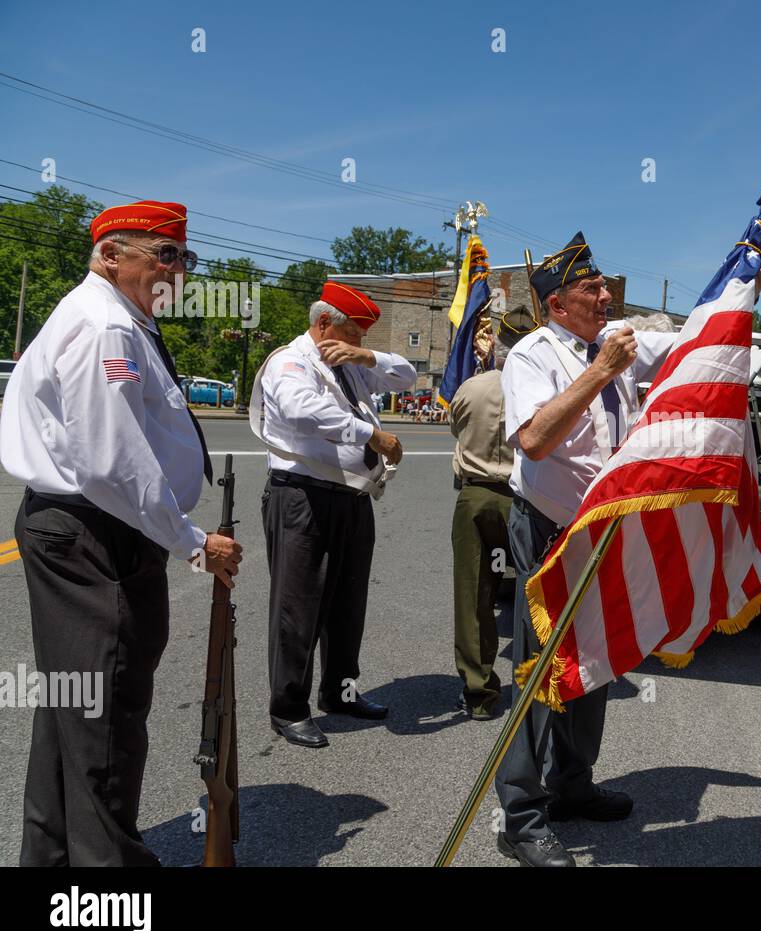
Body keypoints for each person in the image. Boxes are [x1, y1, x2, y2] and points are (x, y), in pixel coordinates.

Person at [0, 201, 243, 865]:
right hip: (97, 533)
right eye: (163, 256)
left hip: (90, 528)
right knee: (105, 713)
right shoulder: (107, 323)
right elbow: (111, 460)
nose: (178, 273)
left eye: (183, 259)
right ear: (110, 256)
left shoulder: (120, 318)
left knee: (71, 713)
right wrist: (192, 541)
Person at [494, 232, 675, 866]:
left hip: (602, 531)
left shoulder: (614, 343)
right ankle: (519, 814)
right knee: (540, 667)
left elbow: (696, 343)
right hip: (548, 527)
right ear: (556, 304)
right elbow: (536, 440)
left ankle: (572, 782)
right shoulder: (532, 355)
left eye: (605, 287)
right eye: (591, 289)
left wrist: (745, 278)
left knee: (594, 660)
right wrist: (601, 373)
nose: (606, 297)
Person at [253, 280, 415, 748]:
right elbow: (304, 413)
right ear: (325, 324)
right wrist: (372, 436)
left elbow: (405, 376)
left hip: (352, 497)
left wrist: (367, 359)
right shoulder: (290, 361)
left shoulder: (351, 364)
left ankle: (340, 692)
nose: (361, 343)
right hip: (303, 496)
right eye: (356, 334)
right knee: (298, 607)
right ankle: (288, 708)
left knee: (348, 605)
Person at [448, 306, 536, 719]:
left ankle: (479, 692)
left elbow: (457, 427)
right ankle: (535, 683)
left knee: (474, 598)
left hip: (477, 496)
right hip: (524, 498)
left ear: (498, 344)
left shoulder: (472, 387)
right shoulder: (542, 388)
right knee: (532, 594)